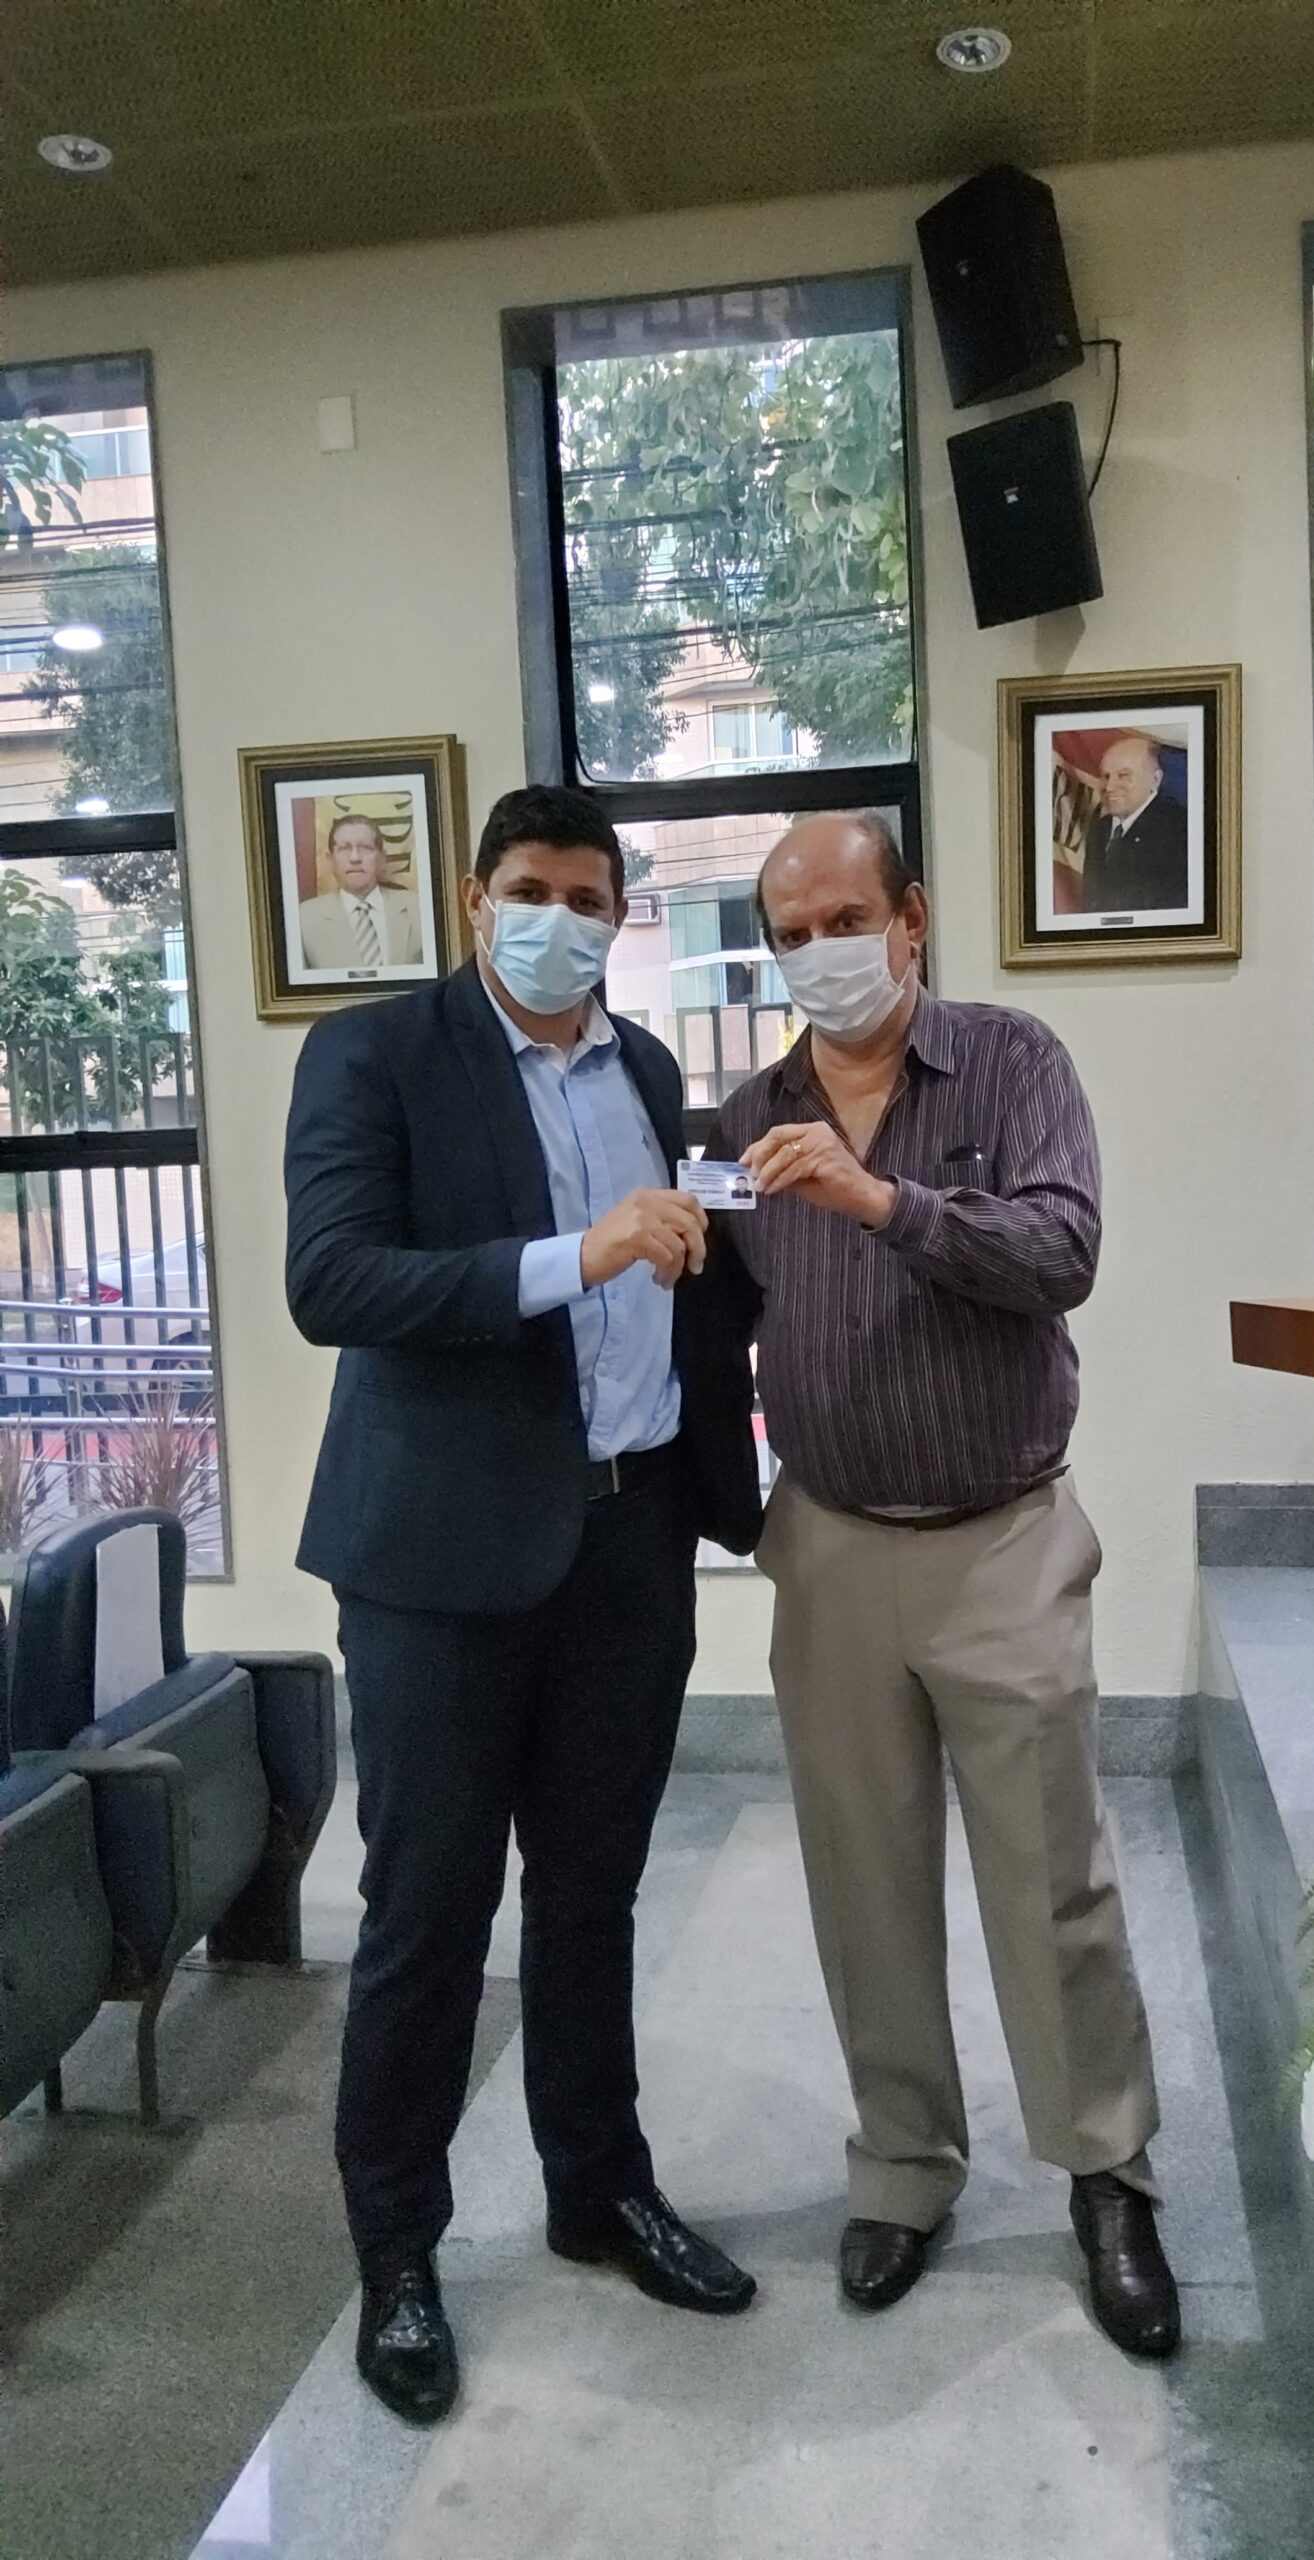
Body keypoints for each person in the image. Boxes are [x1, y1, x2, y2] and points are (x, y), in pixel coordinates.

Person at [285, 783, 763, 2425]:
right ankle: (398, 2256)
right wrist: (581, 1253)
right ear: (476, 897)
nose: (561, 919)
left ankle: (598, 2188)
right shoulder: (376, 1056)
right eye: (532, 889)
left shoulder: (646, 1071)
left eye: (590, 896)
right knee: (426, 1917)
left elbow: (687, 1276)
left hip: (628, 1543)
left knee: (592, 1896)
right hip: (437, 1568)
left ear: (621, 915)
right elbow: (333, 1280)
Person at [706, 811, 1179, 2360]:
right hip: (830, 1541)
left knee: (1052, 1874)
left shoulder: (1011, 1063)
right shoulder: (749, 1114)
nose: (821, 952)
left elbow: (1062, 1251)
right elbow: (724, 1323)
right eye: (791, 934)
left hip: (998, 1538)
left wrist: (880, 1201)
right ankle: (903, 2167)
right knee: (864, 1878)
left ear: (911, 919)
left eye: (848, 919)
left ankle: (1107, 2173)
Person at [297, 812, 425, 969]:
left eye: (365, 848)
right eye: (344, 848)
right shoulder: (304, 919)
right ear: (331, 861)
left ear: (382, 858)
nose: (355, 858)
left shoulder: (418, 909)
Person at [1078, 735, 1189, 915]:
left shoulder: (1178, 829)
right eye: (1105, 776)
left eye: (1123, 775)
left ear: (1155, 779)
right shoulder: (1100, 828)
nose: (1109, 787)